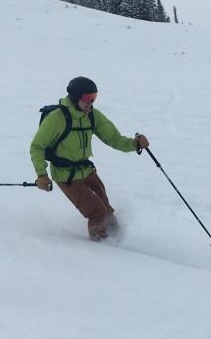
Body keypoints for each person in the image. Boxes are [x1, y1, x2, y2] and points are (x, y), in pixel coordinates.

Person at [30, 76, 149, 241]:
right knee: (97, 212)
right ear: (74, 97)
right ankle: (101, 248)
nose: (91, 102)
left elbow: (114, 139)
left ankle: (120, 242)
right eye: (87, 98)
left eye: (94, 97)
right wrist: (41, 174)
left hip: (86, 169)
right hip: (66, 175)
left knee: (106, 210)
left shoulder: (93, 116)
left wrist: (134, 144)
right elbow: (37, 146)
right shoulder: (57, 118)